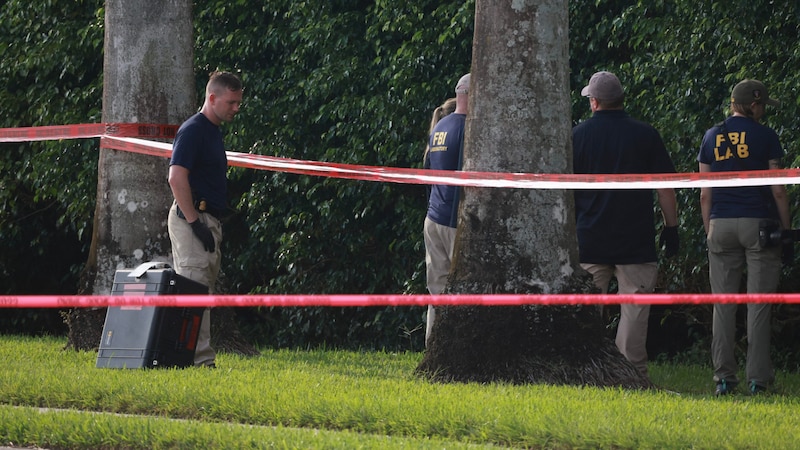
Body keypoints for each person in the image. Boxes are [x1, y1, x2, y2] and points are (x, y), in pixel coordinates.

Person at [572, 71, 679, 377]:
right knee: (634, 309)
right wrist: (671, 228)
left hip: (590, 237)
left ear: (594, 102)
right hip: (636, 239)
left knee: (588, 311)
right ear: (621, 100)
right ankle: (630, 374)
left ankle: (587, 370)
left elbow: (563, 191)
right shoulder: (645, 134)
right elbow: (666, 188)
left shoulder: (577, 136)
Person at [698, 79, 790, 396]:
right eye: (763, 105)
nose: (764, 111)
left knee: (723, 304)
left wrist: (709, 228)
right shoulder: (766, 136)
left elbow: (704, 194)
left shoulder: (711, 136)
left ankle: (724, 378)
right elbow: (778, 188)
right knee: (758, 304)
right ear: (753, 104)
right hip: (759, 225)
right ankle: (758, 380)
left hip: (720, 223)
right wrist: (786, 229)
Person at [168, 70, 243, 368]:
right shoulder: (194, 130)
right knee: (194, 291)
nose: (236, 108)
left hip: (207, 219)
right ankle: (198, 362)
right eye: (231, 102)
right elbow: (176, 177)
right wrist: (194, 223)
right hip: (192, 218)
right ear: (212, 98)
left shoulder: (212, 131)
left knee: (203, 292)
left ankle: (194, 358)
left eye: (238, 102)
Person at [424, 73, 469, 347]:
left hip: (433, 217)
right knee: (463, 288)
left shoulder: (440, 126)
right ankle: (457, 348)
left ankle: (433, 347)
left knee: (436, 289)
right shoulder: (467, 128)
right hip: (454, 220)